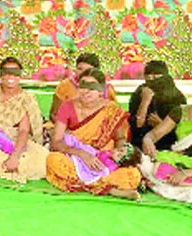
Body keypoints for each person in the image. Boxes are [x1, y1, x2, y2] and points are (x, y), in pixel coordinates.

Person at [47, 68, 141, 199]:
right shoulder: (67, 106)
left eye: (92, 87)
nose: (86, 91)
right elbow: (56, 142)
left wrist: (116, 157)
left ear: (101, 90)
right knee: (54, 161)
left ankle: (91, 185)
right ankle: (108, 189)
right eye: (83, 86)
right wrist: (82, 154)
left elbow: (120, 138)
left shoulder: (111, 110)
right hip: (75, 157)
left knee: (132, 174)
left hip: (103, 161)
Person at [129, 60, 186, 158]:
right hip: (141, 144)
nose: (151, 80)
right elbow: (137, 124)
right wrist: (145, 101)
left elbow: (182, 130)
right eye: (148, 77)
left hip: (169, 146)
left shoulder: (176, 96)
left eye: (155, 77)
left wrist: (161, 124)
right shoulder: (140, 92)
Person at [50, 53, 117, 122]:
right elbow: (54, 114)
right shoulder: (64, 86)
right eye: (80, 69)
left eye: (88, 70)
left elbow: (114, 116)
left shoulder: (107, 90)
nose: (83, 73)